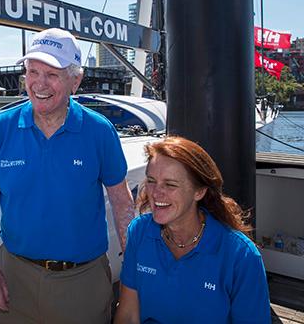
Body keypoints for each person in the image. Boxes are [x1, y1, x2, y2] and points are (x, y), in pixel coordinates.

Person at [0, 27, 135, 324]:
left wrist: (134, 278)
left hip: (82, 283)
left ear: (75, 81)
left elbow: (122, 203)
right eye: (33, 72)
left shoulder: (99, 132)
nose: (39, 84)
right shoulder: (0, 127)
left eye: (52, 74)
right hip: (13, 278)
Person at [114, 136, 271, 324]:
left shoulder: (241, 256)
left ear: (199, 192)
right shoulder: (139, 232)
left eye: (170, 184)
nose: (156, 193)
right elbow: (129, 315)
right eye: (151, 180)